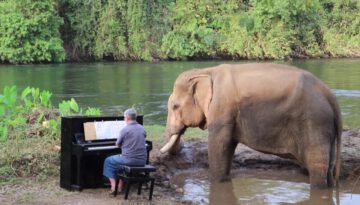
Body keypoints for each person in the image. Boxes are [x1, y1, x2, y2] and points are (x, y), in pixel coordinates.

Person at [103, 108, 147, 194]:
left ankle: (113, 187)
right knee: (119, 162)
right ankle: (119, 186)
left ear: (126, 118)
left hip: (129, 160)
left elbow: (118, 144)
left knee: (108, 160)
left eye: (124, 118)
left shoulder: (125, 130)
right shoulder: (142, 128)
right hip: (142, 161)